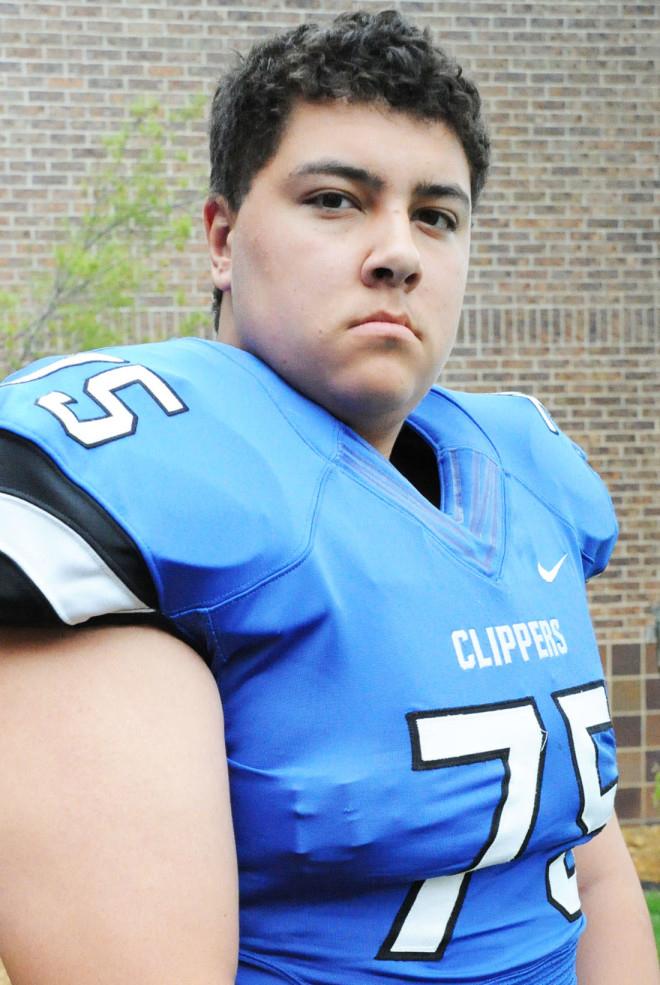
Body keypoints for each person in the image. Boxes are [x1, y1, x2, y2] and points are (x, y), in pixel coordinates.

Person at [0, 9, 656, 985]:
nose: (400, 251)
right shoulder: (143, 481)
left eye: (437, 214)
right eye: (338, 200)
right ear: (222, 239)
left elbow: (588, 872)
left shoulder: (523, 469)